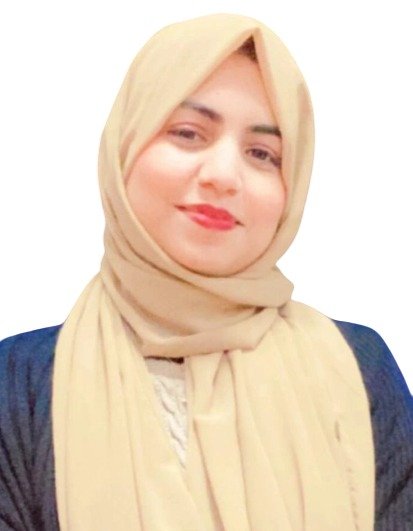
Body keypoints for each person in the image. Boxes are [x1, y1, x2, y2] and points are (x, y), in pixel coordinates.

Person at [0, 13, 412, 531]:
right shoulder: (18, 383)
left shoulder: (357, 367)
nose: (223, 175)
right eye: (189, 133)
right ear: (124, 147)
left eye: (262, 154)